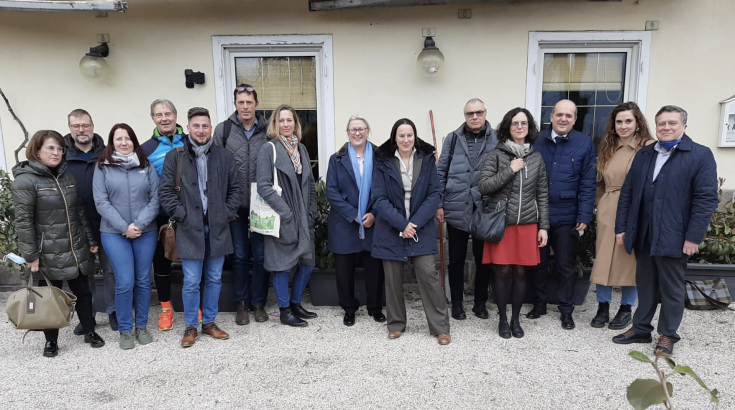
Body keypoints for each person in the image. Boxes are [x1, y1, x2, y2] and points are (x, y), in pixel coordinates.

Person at [612, 105, 718, 355]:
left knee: (671, 287)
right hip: (644, 232)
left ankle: (667, 335)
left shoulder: (699, 155)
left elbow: (705, 199)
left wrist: (693, 236)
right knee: (646, 283)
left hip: (675, 234)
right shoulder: (645, 154)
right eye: (662, 123)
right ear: (656, 126)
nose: (666, 127)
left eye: (672, 123)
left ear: (684, 126)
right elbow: (628, 192)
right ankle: (640, 329)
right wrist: (622, 227)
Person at [12, 130, 105, 357]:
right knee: (48, 297)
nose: (56, 153)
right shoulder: (25, 181)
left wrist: (90, 240)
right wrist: (30, 254)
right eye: (50, 148)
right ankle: (51, 341)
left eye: (59, 148)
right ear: (36, 151)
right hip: (47, 251)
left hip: (75, 247)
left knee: (83, 292)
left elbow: (79, 211)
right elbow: (23, 221)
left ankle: (89, 331)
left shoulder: (66, 176)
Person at [159, 107, 243, 347]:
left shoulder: (224, 156)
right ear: (188, 128)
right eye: (196, 126)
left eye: (205, 126)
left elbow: (236, 189)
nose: (201, 130)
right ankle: (190, 327)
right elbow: (165, 191)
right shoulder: (175, 156)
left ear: (210, 128)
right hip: (188, 228)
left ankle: (209, 323)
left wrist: (226, 212)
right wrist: (182, 214)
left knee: (215, 278)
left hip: (218, 228)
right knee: (192, 281)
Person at [371, 118, 450, 345]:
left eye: (409, 135)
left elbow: (434, 194)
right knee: (393, 280)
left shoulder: (426, 159)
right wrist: (401, 224)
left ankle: (440, 327)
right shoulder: (383, 161)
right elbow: (378, 197)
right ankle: (395, 324)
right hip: (390, 229)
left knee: (429, 276)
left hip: (420, 227)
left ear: (415, 137)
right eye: (401, 135)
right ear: (394, 138)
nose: (406, 140)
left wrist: (413, 223)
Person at [479, 108, 549, 339]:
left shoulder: (536, 157)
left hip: (527, 224)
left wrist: (544, 227)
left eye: (524, 123)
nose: (520, 127)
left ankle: (516, 319)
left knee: (520, 274)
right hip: (502, 223)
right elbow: (484, 186)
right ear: (508, 127)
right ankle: (502, 319)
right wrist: (509, 170)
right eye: (515, 123)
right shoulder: (497, 154)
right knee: (502, 273)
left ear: (529, 128)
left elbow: (542, 194)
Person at [530, 99, 597, 330]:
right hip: (537, 214)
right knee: (537, 262)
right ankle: (538, 304)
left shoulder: (584, 143)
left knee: (565, 265)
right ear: (551, 117)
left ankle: (566, 310)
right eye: (559, 114)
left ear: (575, 120)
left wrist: (584, 215)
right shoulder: (536, 140)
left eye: (568, 116)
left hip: (567, 215)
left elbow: (588, 183)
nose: (563, 119)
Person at [93, 124, 159, 349]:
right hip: (114, 233)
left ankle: (141, 326)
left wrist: (139, 224)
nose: (123, 142)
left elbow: (155, 199)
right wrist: (124, 227)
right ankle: (125, 330)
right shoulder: (102, 167)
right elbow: (101, 202)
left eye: (128, 138)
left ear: (134, 141)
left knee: (142, 281)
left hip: (145, 231)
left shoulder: (146, 165)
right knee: (124, 282)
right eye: (118, 139)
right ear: (112, 142)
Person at [589, 102, 654, 330]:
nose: (623, 126)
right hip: (608, 206)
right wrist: (600, 203)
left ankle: (626, 308)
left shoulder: (648, 147)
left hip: (636, 207)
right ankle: (602, 306)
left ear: (637, 123)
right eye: (619, 121)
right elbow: (598, 181)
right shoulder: (607, 146)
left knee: (630, 259)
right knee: (604, 257)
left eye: (628, 121)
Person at [256, 104, 318, 327]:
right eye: (281, 120)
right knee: (281, 264)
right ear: (275, 124)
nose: (286, 124)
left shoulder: (300, 149)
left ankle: (295, 303)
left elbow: (310, 182)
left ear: (295, 123)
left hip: (304, 215)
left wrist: (312, 210)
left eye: (289, 120)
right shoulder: (269, 149)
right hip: (282, 215)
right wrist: (286, 213)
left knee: (308, 262)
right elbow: (263, 186)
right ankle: (284, 310)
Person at [436, 98, 498, 320]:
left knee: (484, 259)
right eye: (470, 113)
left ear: (485, 113)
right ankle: (457, 304)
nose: (474, 117)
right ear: (465, 116)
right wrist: (440, 204)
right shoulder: (453, 139)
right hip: (456, 206)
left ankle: (480, 303)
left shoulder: (498, 138)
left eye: (478, 112)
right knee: (456, 259)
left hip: (486, 207)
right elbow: (440, 172)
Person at [213, 84, 269, 325]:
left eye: (249, 102)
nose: (245, 106)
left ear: (256, 104)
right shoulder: (224, 130)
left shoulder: (268, 130)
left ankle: (258, 303)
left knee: (260, 255)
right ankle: (241, 304)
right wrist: (224, 206)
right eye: (240, 102)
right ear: (235, 104)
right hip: (234, 205)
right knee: (239, 256)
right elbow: (214, 169)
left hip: (262, 204)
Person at [325, 115, 385, 326]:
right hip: (344, 222)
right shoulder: (337, 159)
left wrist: (375, 214)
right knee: (344, 271)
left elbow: (387, 189)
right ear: (348, 133)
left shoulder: (381, 157)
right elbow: (331, 192)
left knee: (375, 269)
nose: (357, 133)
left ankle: (375, 307)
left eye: (361, 129)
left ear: (368, 131)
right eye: (353, 129)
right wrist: (354, 214)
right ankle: (349, 308)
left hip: (373, 221)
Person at [64, 109, 117, 333]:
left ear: (93, 126)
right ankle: (88, 316)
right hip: (76, 226)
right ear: (70, 128)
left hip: (107, 222)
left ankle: (114, 311)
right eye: (76, 126)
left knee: (111, 270)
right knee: (82, 273)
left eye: (85, 125)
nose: (81, 129)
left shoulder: (107, 154)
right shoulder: (62, 156)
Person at [141, 99, 186, 331]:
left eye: (168, 113)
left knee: (192, 262)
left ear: (176, 116)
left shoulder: (190, 142)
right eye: (159, 115)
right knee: (162, 263)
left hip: (189, 215)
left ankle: (193, 306)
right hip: (160, 217)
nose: (164, 118)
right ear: (153, 119)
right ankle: (166, 309)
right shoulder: (146, 149)